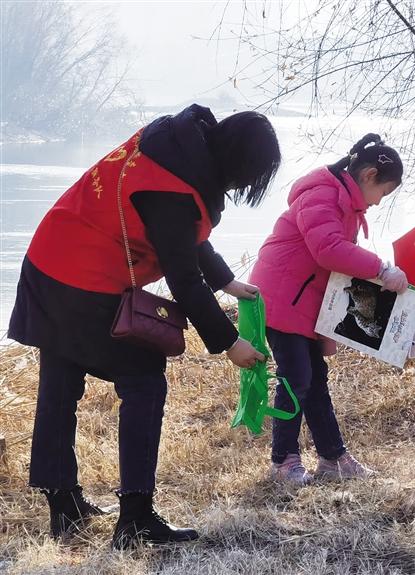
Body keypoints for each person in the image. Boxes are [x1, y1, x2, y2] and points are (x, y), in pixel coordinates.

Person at [8, 104, 281, 548]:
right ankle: (135, 518)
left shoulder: (176, 146)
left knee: (59, 387)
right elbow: (183, 275)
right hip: (81, 278)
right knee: (144, 380)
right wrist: (230, 342)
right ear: (238, 164)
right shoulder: (175, 186)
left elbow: (182, 232)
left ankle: (63, 504)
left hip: (49, 259)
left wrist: (228, 281)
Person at [250, 133, 408, 486]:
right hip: (281, 299)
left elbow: (335, 267)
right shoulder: (322, 194)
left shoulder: (345, 202)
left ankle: (332, 457)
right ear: (368, 176)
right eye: (383, 192)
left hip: (303, 301)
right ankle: (283, 461)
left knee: (315, 379)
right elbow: (329, 250)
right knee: (296, 377)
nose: (380, 203)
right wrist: (381, 269)